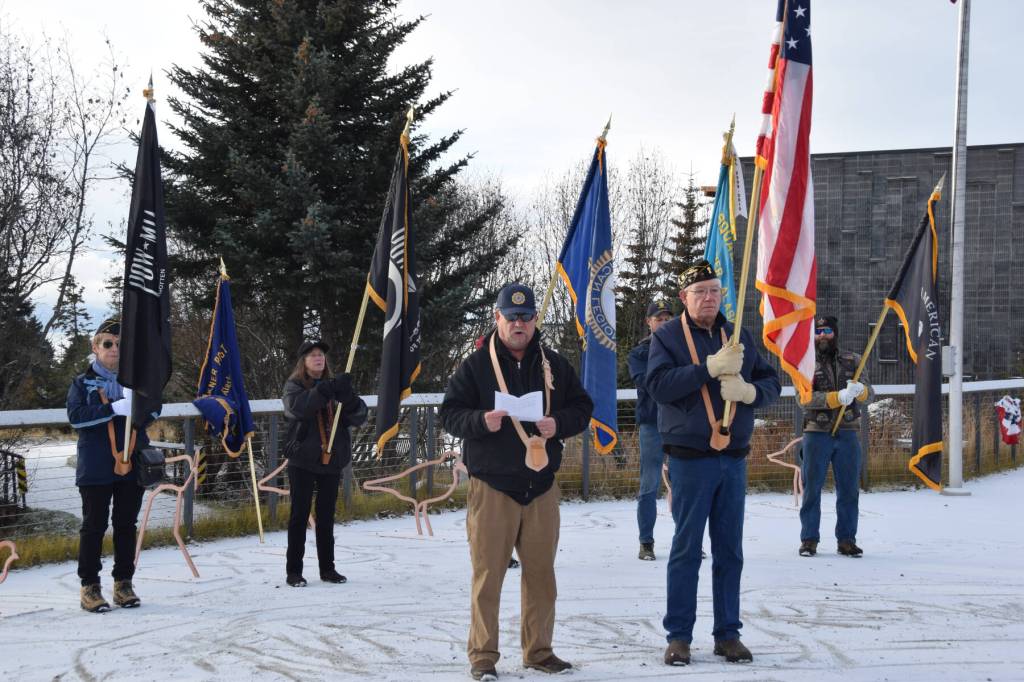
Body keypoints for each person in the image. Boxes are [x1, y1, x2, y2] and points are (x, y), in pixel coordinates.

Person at [441, 283, 594, 682]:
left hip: (541, 484)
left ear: (534, 321)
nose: (519, 323)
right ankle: (483, 657)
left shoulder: (555, 364)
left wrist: (558, 423)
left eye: (526, 317)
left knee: (542, 575)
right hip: (492, 487)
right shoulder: (475, 366)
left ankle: (539, 651)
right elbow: (449, 414)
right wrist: (480, 421)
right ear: (498, 318)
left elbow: (583, 408)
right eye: (512, 317)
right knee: (488, 576)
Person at [646, 260, 781, 666]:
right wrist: (707, 369)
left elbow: (772, 382)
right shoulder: (667, 337)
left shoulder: (737, 334)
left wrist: (749, 393)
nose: (708, 298)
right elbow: (658, 387)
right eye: (699, 291)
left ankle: (728, 634)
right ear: (684, 298)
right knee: (687, 549)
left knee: (730, 551)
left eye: (714, 291)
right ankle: (679, 636)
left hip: (733, 459)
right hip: (691, 461)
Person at [67, 318, 159, 612]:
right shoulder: (81, 383)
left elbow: (155, 409)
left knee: (125, 525)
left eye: (120, 344)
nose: (114, 349)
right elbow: (77, 417)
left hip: (131, 463)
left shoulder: (135, 381)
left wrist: (139, 405)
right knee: (94, 526)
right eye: (108, 344)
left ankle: (123, 583)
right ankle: (89, 587)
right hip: (96, 466)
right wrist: (112, 409)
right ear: (95, 347)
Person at [281, 340, 368, 587]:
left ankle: (327, 569)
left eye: (321, 355)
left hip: (332, 460)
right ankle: (294, 571)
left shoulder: (336, 386)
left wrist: (348, 398)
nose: (318, 358)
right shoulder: (294, 386)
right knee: (299, 515)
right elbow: (298, 409)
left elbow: (360, 416)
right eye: (312, 355)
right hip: (303, 460)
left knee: (326, 515)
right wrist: (324, 391)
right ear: (304, 362)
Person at [798, 315, 872, 558]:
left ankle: (847, 539)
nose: (822, 336)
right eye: (818, 331)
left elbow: (870, 395)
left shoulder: (854, 360)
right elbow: (803, 399)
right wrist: (834, 398)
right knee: (812, 489)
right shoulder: (804, 363)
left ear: (835, 333)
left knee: (849, 489)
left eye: (826, 330)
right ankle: (809, 540)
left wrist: (861, 392)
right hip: (816, 434)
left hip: (848, 433)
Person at [627, 300, 674, 561]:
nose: (664, 322)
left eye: (668, 318)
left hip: (681, 425)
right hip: (652, 424)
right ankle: (646, 542)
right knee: (649, 485)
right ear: (649, 322)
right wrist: (675, 382)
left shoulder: (684, 348)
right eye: (659, 318)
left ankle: (688, 541)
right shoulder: (639, 353)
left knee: (684, 485)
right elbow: (646, 383)